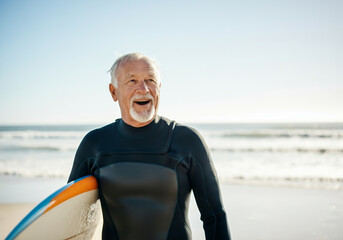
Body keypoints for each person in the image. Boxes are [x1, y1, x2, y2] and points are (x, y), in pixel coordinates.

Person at [68, 53, 231, 240]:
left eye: (150, 80)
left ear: (159, 88)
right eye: (132, 81)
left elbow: (214, 217)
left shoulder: (187, 141)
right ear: (114, 92)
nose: (143, 89)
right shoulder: (94, 144)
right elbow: (72, 217)